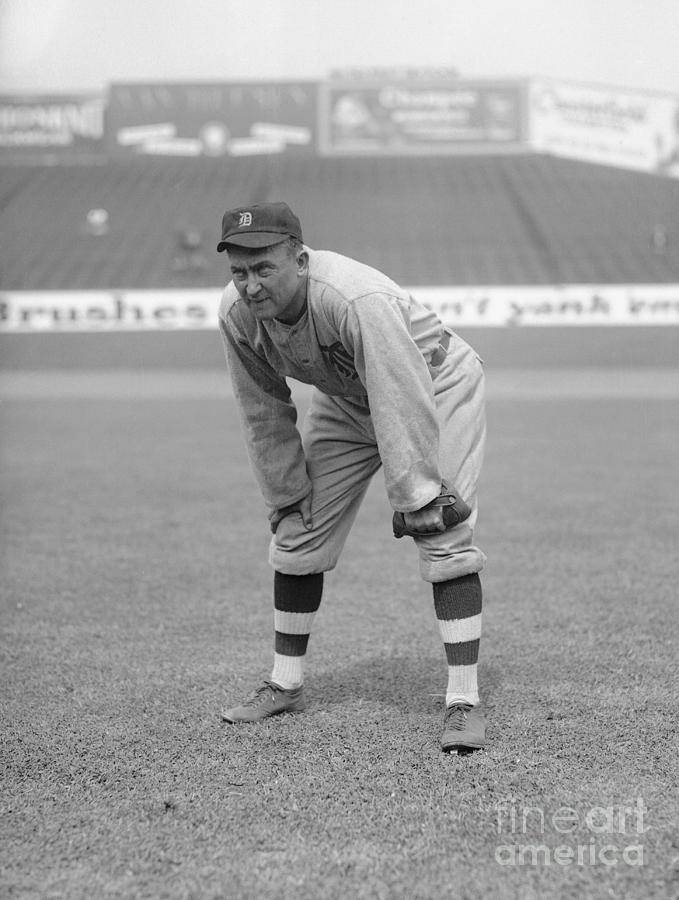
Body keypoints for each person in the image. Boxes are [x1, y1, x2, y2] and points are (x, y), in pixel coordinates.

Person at [217, 201, 488, 752]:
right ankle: (284, 683)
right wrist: (285, 492)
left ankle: (463, 702)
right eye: (239, 272)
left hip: (433, 384)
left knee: (441, 531)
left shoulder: (353, 298)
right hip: (346, 400)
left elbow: (398, 387)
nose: (250, 285)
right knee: (297, 532)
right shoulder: (237, 315)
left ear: (300, 258)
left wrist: (416, 492)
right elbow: (261, 407)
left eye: (264, 268)